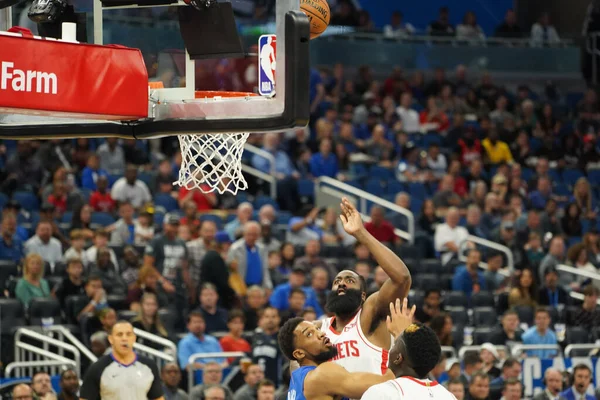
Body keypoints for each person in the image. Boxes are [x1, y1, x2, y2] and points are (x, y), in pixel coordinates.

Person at [316, 198, 411, 376]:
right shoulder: (317, 330)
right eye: (336, 281)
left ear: (362, 296)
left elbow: (402, 278)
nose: (341, 283)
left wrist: (361, 234)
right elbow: (295, 361)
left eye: (349, 281)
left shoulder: (369, 315)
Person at [279, 300, 415, 400]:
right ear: (299, 353)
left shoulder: (296, 377)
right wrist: (401, 335)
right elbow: (385, 383)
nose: (321, 334)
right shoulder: (323, 375)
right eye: (309, 334)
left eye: (318, 329)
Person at [361, 300, 454, 400]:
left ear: (398, 358)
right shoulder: (449, 396)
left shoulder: (381, 393)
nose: (391, 349)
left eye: (395, 344)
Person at [80, 320, 164, 400]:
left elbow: (158, 398)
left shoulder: (149, 366)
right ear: (111, 339)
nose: (124, 338)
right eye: (119, 334)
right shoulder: (97, 368)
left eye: (128, 334)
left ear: (134, 338)